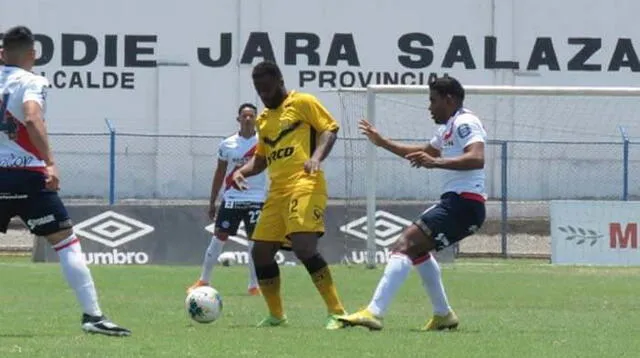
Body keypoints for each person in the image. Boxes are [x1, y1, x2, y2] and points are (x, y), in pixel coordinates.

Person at [0, 26, 130, 336]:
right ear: (32, 54)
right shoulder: (32, 81)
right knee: (66, 243)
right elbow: (31, 117)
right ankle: (93, 316)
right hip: (29, 176)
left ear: (3, 53)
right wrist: (51, 163)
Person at [338, 75, 487, 331]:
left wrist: (436, 162)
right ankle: (443, 314)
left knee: (404, 243)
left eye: (433, 101)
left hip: (464, 203)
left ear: (449, 100)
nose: (429, 107)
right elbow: (422, 154)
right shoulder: (446, 128)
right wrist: (382, 142)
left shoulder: (465, 121)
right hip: (460, 204)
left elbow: (477, 158)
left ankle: (374, 312)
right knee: (416, 250)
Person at [231, 61, 347, 329]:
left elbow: (329, 129)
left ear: (280, 81)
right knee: (260, 252)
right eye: (259, 91)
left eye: (268, 89)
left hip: (306, 183)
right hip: (277, 191)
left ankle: (337, 312)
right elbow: (261, 160)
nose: (264, 95)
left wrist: (316, 158)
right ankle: (276, 315)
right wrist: (242, 172)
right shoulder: (263, 120)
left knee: (303, 247)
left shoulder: (303, 102)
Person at [188, 103, 264, 296]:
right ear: (238, 119)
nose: (248, 119)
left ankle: (254, 285)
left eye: (251, 116)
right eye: (244, 116)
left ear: (256, 119)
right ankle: (203, 280)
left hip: (257, 198)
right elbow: (220, 172)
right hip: (232, 198)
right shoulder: (227, 144)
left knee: (254, 243)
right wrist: (212, 201)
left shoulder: (264, 142)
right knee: (219, 237)